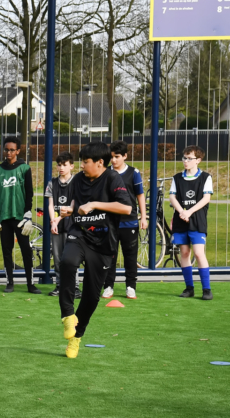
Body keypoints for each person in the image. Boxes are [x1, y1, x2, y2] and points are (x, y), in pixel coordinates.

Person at [58, 142, 133, 358]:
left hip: (103, 243)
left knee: (91, 296)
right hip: (79, 233)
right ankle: (68, 316)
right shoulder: (78, 179)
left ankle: (76, 337)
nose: (82, 165)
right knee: (67, 262)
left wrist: (95, 204)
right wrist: (69, 210)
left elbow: (126, 207)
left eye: (85, 162)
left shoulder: (112, 178)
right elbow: (76, 204)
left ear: (100, 162)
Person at [0, 136, 40, 294]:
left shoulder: (24, 168)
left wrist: (28, 213)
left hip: (20, 217)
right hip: (3, 217)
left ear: (18, 151)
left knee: (26, 250)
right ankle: (9, 282)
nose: (8, 152)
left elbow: (29, 193)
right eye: (6, 149)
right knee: (7, 250)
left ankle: (30, 284)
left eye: (12, 150)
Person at [101, 141, 147, 300]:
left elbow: (140, 195)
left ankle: (130, 287)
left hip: (129, 221)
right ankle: (108, 286)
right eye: (112, 157)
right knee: (109, 255)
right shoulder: (106, 172)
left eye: (117, 157)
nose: (114, 160)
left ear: (125, 156)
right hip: (109, 222)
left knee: (130, 256)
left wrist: (143, 217)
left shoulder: (134, 173)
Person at [169, 145, 213, 300]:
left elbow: (206, 198)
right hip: (181, 220)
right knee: (185, 253)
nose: (185, 161)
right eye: (184, 158)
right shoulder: (177, 178)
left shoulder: (206, 177)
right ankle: (189, 288)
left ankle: (206, 289)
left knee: (199, 253)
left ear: (198, 160)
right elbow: (172, 197)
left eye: (189, 158)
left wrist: (189, 212)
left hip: (197, 220)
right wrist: (182, 211)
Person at [44, 152, 79, 298]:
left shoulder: (76, 182)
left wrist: (60, 218)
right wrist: (53, 222)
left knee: (71, 258)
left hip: (72, 226)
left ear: (72, 166)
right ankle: (59, 285)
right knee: (58, 258)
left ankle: (75, 287)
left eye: (64, 165)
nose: (61, 168)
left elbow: (73, 204)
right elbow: (51, 205)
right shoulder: (52, 183)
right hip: (57, 226)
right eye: (59, 165)